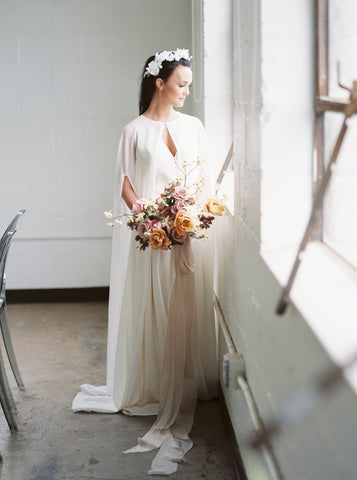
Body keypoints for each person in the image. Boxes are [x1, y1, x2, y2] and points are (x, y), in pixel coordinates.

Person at [72, 48, 218, 475]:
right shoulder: (133, 131)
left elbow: (205, 178)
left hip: (187, 235)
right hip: (153, 237)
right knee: (154, 308)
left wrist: (191, 218)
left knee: (184, 309)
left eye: (189, 85)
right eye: (181, 84)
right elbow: (125, 183)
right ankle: (153, 384)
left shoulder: (194, 126)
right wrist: (148, 219)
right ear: (159, 82)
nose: (187, 92)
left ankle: (186, 380)